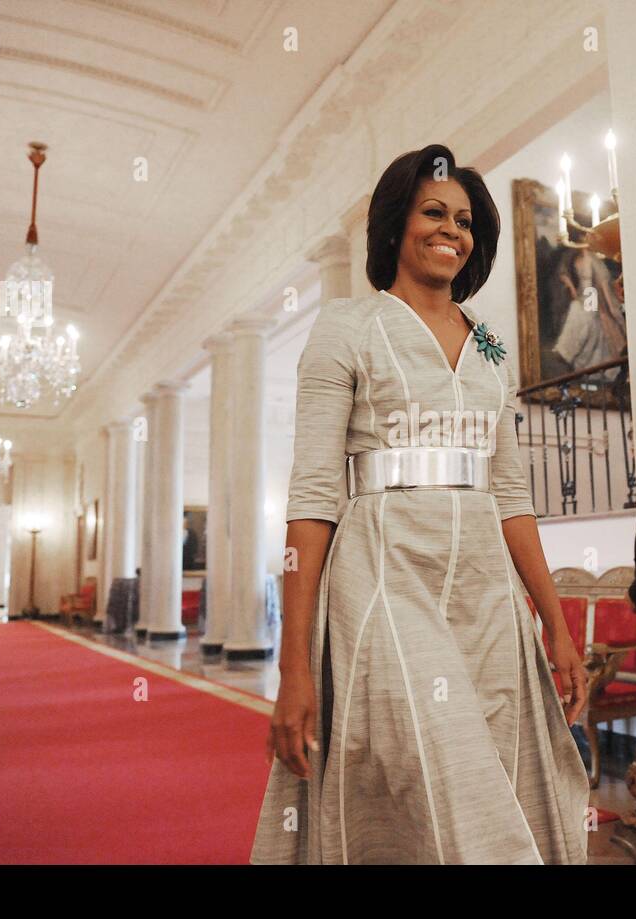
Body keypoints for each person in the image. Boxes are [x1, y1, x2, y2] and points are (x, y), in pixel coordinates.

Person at [250, 145, 592, 865]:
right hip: (383, 579)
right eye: (433, 212)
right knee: (437, 771)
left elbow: (512, 496)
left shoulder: (491, 347)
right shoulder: (347, 326)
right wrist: (293, 666)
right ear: (394, 224)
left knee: (495, 771)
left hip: (487, 599)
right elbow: (313, 496)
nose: (452, 230)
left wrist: (555, 624)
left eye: (464, 219)